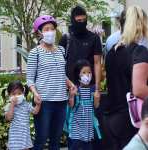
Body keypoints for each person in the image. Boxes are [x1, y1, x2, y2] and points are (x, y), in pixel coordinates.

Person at [26, 15, 76, 150]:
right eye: (46, 29)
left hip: (61, 101)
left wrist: (71, 84)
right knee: (41, 139)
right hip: (44, 102)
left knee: (56, 140)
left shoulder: (61, 50)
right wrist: (35, 93)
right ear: (39, 33)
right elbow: (29, 79)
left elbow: (61, 74)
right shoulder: (35, 53)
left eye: (52, 29)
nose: (50, 32)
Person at [103, 5, 148, 150]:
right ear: (140, 24)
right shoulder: (139, 52)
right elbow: (139, 89)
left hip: (111, 119)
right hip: (131, 120)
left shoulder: (111, 52)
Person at [59, 5, 102, 102]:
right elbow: (59, 64)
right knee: (70, 116)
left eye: (84, 20)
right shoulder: (66, 39)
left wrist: (97, 89)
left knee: (89, 115)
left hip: (89, 86)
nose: (82, 23)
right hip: (69, 87)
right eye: (78, 21)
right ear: (73, 21)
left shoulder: (94, 38)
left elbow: (97, 63)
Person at [67, 59, 101, 150]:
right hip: (76, 130)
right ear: (78, 74)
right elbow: (71, 105)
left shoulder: (93, 89)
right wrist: (71, 95)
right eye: (84, 72)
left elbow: (96, 106)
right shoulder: (76, 89)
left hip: (88, 130)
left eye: (89, 72)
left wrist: (97, 98)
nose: (87, 75)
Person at [4, 80, 41, 150]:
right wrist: (12, 104)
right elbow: (8, 118)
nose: (16, 96)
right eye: (14, 94)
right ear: (9, 95)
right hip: (15, 136)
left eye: (19, 93)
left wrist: (38, 104)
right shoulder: (9, 106)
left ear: (23, 93)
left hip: (25, 134)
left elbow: (35, 112)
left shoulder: (26, 104)